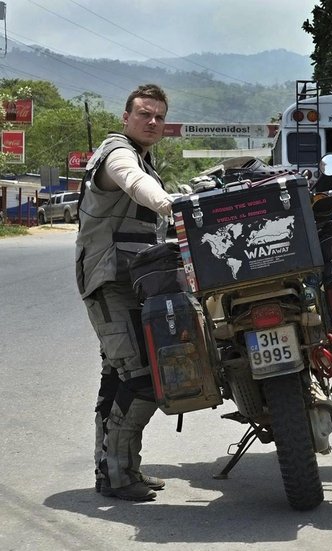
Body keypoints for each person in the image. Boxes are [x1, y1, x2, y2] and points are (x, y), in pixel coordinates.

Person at [75, 84, 175, 501]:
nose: (151, 121)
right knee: (143, 376)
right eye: (144, 114)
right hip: (108, 280)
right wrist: (170, 204)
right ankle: (117, 475)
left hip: (132, 281)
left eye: (158, 116)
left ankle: (120, 468)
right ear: (126, 117)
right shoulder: (117, 152)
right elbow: (132, 183)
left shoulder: (144, 158)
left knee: (116, 377)